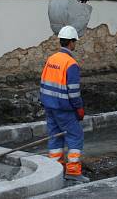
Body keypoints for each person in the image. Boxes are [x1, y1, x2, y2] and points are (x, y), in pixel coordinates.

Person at [40, 25, 89, 183]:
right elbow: (73, 91)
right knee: (75, 136)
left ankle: (56, 169)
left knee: (55, 136)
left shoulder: (51, 59)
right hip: (64, 108)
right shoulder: (71, 63)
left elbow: (43, 82)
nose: (75, 45)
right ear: (71, 42)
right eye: (75, 42)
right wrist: (79, 108)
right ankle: (73, 171)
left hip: (49, 105)